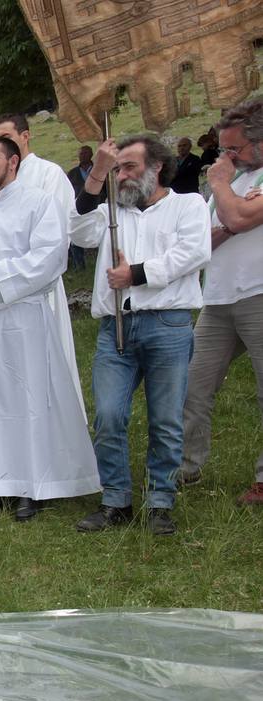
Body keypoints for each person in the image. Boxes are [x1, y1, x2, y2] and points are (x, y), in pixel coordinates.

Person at [0, 136, 99, 520]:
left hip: (21, 317)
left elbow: (51, 256)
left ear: (13, 162)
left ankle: (31, 485)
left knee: (27, 402)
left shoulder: (39, 203)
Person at [69, 135, 212, 534]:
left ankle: (159, 502)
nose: (122, 175)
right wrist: (96, 172)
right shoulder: (111, 214)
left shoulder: (188, 205)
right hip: (115, 326)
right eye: (117, 169)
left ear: (157, 168)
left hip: (169, 325)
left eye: (128, 166)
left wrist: (135, 274)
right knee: (109, 415)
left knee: (165, 419)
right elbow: (77, 231)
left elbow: (194, 253)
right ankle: (116, 499)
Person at [181, 99, 263, 506]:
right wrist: (232, 210)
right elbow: (203, 238)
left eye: (235, 149)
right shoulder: (231, 185)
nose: (227, 157)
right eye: (224, 149)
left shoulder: (226, 182)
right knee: (193, 384)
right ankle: (186, 465)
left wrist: (221, 188)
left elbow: (239, 220)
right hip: (217, 298)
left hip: (260, 292)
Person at [0, 112, 82, 372]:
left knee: (46, 364)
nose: (1, 144)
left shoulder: (48, 174)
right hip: (0, 283)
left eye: (6, 137)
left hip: (39, 282)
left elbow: (58, 234)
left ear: (25, 136)